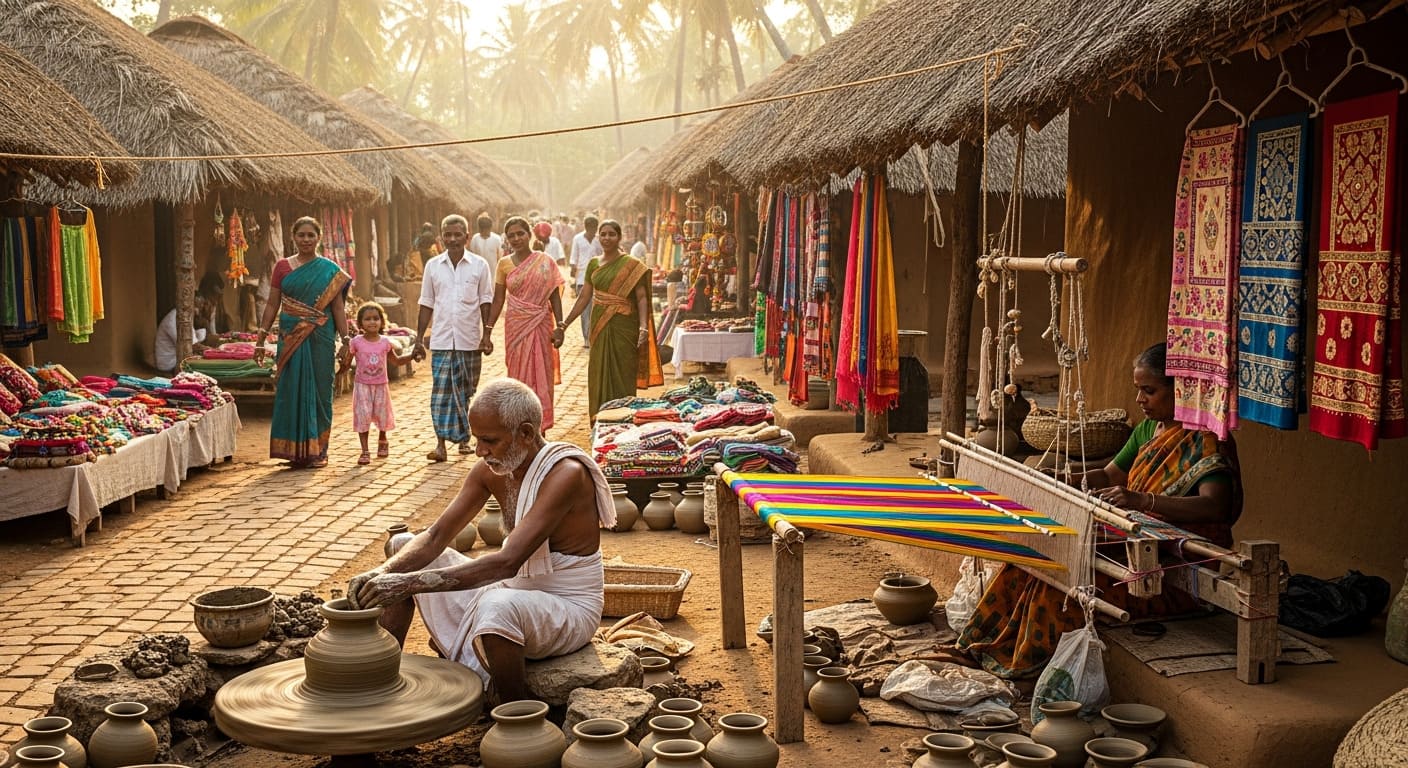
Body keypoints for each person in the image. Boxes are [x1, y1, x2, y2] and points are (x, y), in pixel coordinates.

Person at [957, 343, 1242, 678]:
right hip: (1135, 538)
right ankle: (980, 645)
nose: (1140, 400)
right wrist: (1063, 477)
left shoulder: (1205, 439)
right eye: (1139, 391)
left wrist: (1141, 501)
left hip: (1168, 566)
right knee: (1029, 561)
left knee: (1064, 581)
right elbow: (1109, 474)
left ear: (1179, 390)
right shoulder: (1149, 430)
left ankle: (1022, 663)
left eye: (1149, 391)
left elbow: (1216, 506)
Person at [346, 378, 616, 703]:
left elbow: (507, 562)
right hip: (510, 591)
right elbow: (434, 537)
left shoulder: (566, 474)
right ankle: (381, 681)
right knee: (404, 546)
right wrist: (382, 575)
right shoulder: (489, 470)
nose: (479, 451)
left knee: (496, 607)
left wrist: (407, 583)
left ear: (527, 434)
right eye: (477, 439)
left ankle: (514, 715)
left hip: (567, 606)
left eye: (489, 440)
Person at [254, 216, 351, 469]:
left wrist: (346, 339)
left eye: (311, 235)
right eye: (301, 235)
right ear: (293, 237)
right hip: (290, 337)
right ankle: (293, 452)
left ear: (318, 237)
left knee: (320, 392)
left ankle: (318, 451)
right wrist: (261, 338)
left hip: (321, 338)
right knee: (290, 389)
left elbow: (338, 308)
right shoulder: (282, 267)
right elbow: (273, 304)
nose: (306, 240)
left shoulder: (330, 270)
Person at [560, 219, 663, 417]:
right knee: (598, 371)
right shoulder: (593, 264)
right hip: (599, 325)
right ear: (599, 237)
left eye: (611, 234)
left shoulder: (632, 265)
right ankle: (599, 418)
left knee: (623, 372)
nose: (607, 238)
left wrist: (643, 327)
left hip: (625, 326)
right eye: (603, 234)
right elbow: (584, 297)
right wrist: (565, 323)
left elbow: (641, 298)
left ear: (619, 237)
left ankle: (623, 417)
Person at [414, 214, 496, 463]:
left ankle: (463, 439)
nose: (452, 239)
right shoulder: (432, 266)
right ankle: (440, 444)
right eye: (447, 235)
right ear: (441, 237)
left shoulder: (480, 265)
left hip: (469, 339)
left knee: (466, 392)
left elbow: (486, 301)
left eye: (457, 234)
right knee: (441, 394)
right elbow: (426, 303)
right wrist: (419, 338)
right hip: (440, 341)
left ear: (466, 237)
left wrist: (487, 334)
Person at [486, 217, 565, 432]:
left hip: (541, 324)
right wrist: (487, 331)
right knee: (517, 375)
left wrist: (561, 326)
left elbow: (555, 297)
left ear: (529, 234)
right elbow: (498, 299)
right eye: (511, 235)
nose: (516, 238)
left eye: (520, 233)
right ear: (507, 239)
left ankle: (541, 428)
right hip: (516, 327)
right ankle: (519, 425)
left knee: (542, 375)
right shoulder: (503, 265)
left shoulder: (545, 261)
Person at [341, 301, 413, 465]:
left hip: (381, 385)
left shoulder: (385, 342)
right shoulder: (356, 342)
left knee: (382, 415)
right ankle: (365, 450)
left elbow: (397, 361)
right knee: (362, 416)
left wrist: (412, 355)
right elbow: (346, 363)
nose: (372, 322)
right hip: (362, 386)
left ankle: (382, 439)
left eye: (376, 318)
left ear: (382, 321)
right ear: (360, 323)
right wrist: (340, 363)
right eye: (368, 319)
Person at [154, 272, 223, 374]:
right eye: (197, 307)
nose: (198, 310)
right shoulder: (176, 317)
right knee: (211, 365)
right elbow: (193, 346)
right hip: (169, 364)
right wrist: (216, 353)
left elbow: (200, 339)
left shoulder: (187, 317)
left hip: (177, 359)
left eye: (200, 307)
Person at [568, 214, 602, 346]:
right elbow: (573, 256)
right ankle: (586, 338)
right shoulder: (578, 239)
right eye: (591, 227)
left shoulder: (599, 240)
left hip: (597, 278)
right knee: (584, 310)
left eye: (595, 228)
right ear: (586, 227)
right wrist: (573, 270)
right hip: (582, 277)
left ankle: (594, 335)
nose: (593, 230)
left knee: (595, 309)